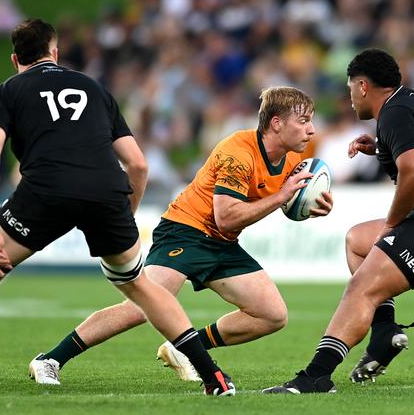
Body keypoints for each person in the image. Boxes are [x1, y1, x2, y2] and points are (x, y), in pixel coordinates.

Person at [0, 18, 234, 400]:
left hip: (45, 190)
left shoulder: (8, 91)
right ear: (54, 52)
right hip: (105, 191)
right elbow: (137, 164)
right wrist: (126, 213)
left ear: (14, 58)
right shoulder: (93, 87)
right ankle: (213, 377)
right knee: (138, 285)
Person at [30, 86, 333, 385]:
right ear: (277, 123)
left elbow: (273, 201)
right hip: (184, 231)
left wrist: (309, 205)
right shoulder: (238, 151)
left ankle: (184, 349)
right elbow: (226, 216)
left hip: (221, 243)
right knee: (139, 308)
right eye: (304, 121)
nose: (311, 130)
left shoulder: (295, 160)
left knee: (272, 315)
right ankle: (51, 359)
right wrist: (282, 197)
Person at [263, 48, 414, 394]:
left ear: (364, 86)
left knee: (360, 288)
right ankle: (383, 333)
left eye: (351, 89)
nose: (350, 99)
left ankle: (316, 377)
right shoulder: (412, 103)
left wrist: (393, 224)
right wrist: (383, 147)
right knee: (357, 242)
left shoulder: (395, 113)